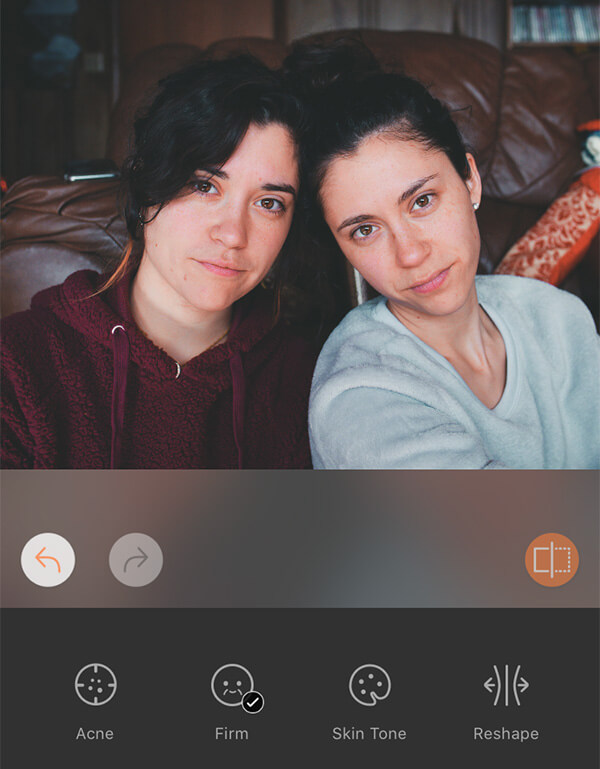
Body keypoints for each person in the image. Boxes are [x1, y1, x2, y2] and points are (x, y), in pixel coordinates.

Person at [285, 41, 599, 470]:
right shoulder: (360, 395)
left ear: (470, 180)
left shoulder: (560, 319)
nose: (411, 254)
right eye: (365, 230)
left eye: (422, 201)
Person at [2, 54, 316, 469]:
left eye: (269, 202)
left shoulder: (307, 381)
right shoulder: (18, 361)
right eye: (204, 186)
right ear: (148, 185)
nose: (233, 235)